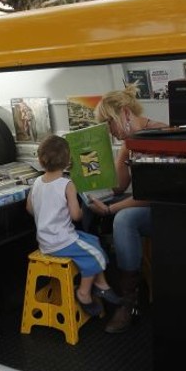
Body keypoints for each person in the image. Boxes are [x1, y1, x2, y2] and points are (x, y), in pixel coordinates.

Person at [88, 84, 166, 333]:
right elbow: (121, 186)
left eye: (110, 124)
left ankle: (128, 302)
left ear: (124, 113)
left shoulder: (162, 134)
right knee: (86, 206)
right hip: (149, 204)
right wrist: (91, 184)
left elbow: (150, 195)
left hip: (169, 211)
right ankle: (94, 278)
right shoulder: (129, 142)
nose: (110, 132)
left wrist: (110, 209)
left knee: (124, 219)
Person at [27, 134, 119, 317]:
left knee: (92, 241)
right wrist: (86, 210)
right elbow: (76, 216)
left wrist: (46, 216)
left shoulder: (36, 182)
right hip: (61, 241)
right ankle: (84, 292)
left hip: (45, 241)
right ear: (68, 160)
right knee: (98, 254)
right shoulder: (67, 184)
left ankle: (101, 285)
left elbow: (29, 207)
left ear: (40, 159)